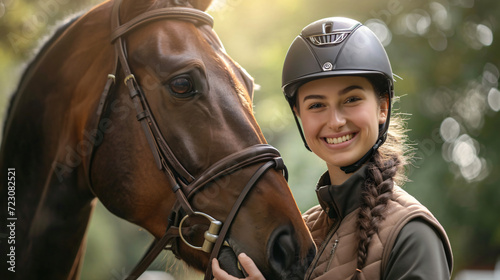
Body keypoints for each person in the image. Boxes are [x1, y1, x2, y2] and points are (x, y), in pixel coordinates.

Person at [212, 17, 453, 280]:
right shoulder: (303, 232)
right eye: (316, 105)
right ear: (299, 115)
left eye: (351, 99)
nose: (336, 121)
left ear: (382, 107)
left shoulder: (413, 234)